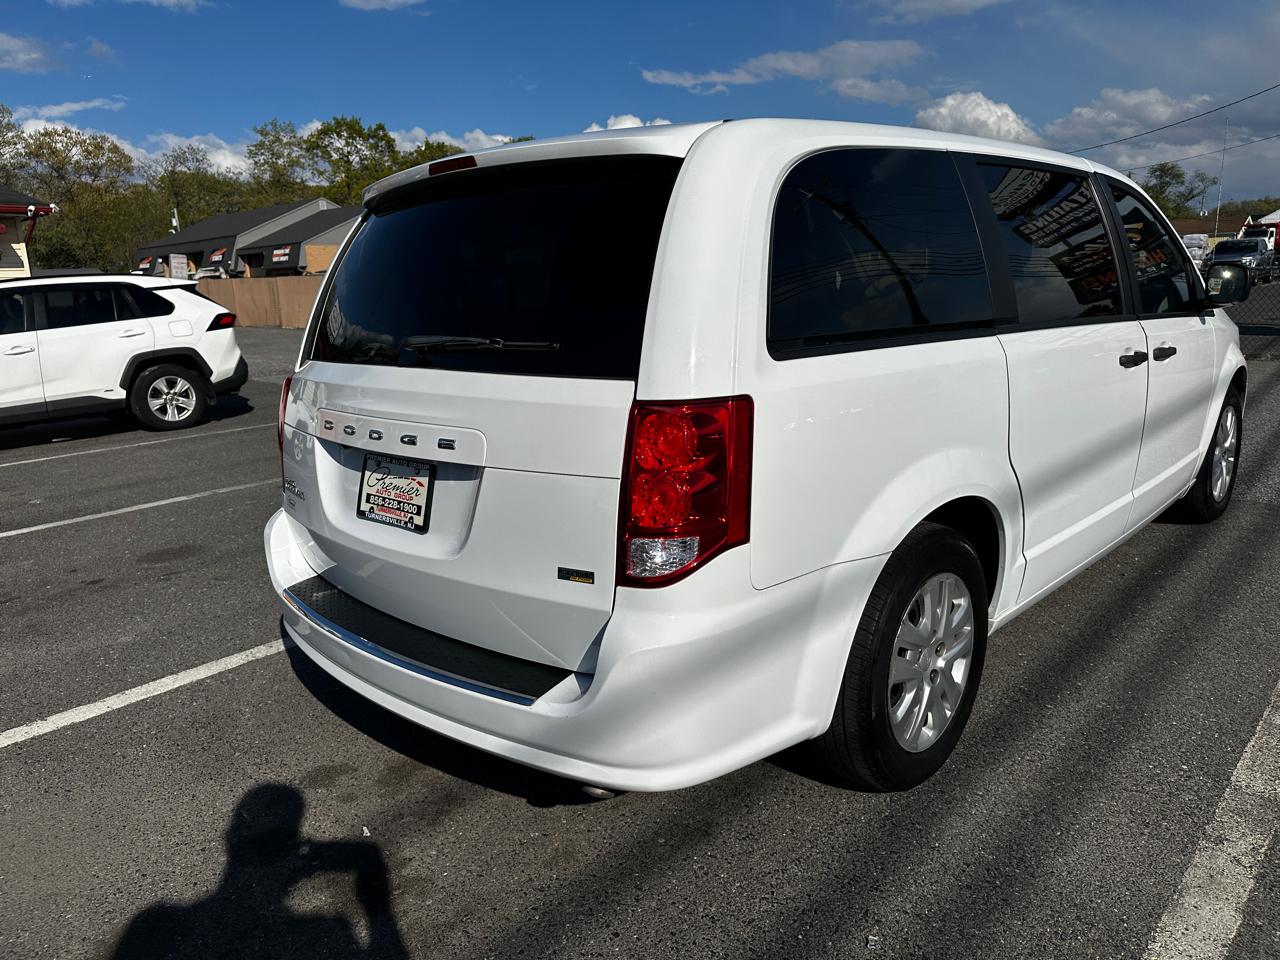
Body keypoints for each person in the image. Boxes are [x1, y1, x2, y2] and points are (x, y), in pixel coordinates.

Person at [112, 783, 407, 959]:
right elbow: (367, 857)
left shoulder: (156, 925)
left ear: (230, 837)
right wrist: (382, 916)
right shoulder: (318, 931)